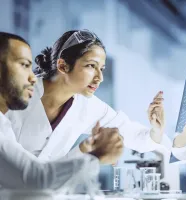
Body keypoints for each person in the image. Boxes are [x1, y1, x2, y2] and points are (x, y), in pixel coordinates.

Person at [6, 30, 171, 163]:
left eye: (102, 68)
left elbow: (137, 137)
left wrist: (156, 129)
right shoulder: (16, 96)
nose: (99, 77)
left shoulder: (88, 106)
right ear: (63, 66)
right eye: (91, 66)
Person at [0, 32, 123, 190]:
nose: (32, 77)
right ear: (62, 66)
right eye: (24, 65)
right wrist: (96, 156)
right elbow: (35, 179)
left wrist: (85, 150)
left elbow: (36, 172)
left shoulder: (3, 125)